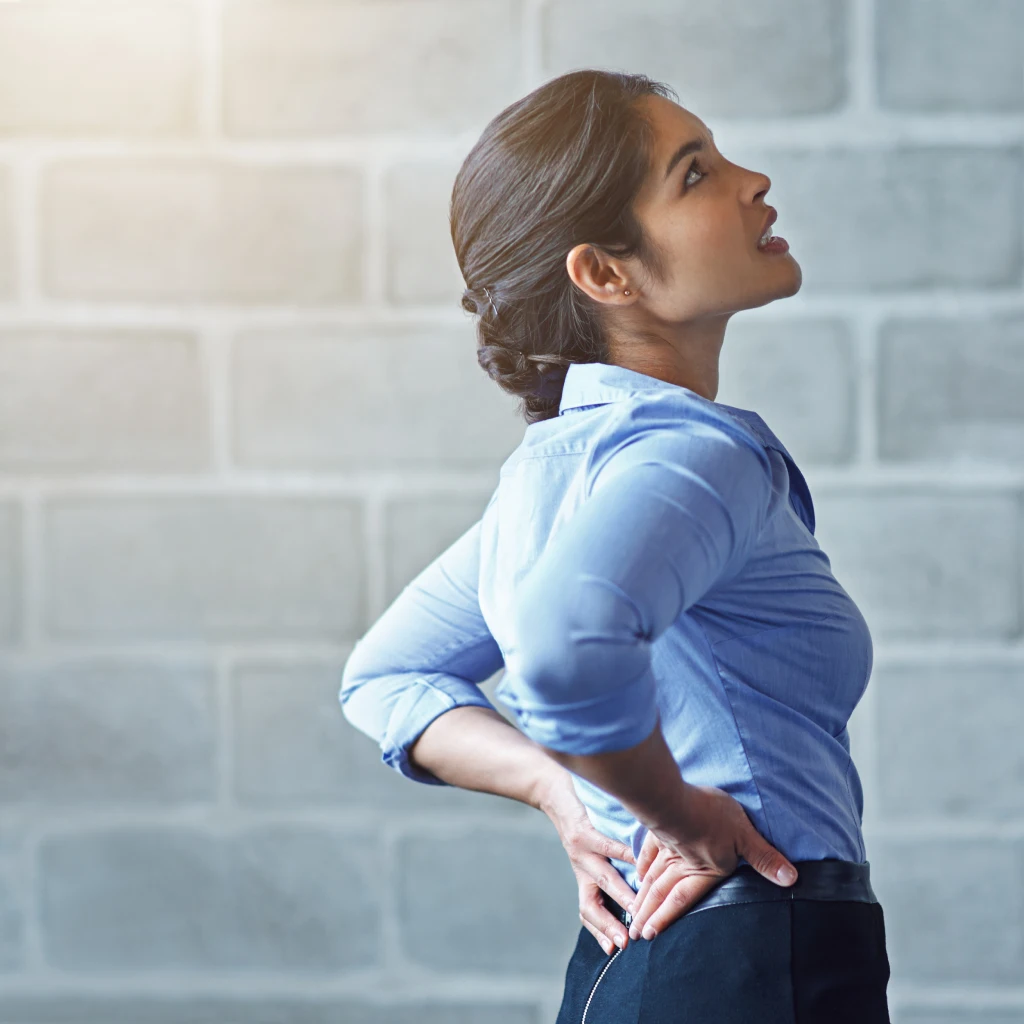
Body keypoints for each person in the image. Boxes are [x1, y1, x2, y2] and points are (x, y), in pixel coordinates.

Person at [339, 69, 891, 1022]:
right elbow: (561, 648)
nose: (753, 181)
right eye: (695, 174)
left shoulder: (542, 483)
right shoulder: (693, 454)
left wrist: (570, 793)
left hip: (629, 970)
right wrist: (678, 814)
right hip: (755, 963)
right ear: (605, 274)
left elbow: (384, 679)